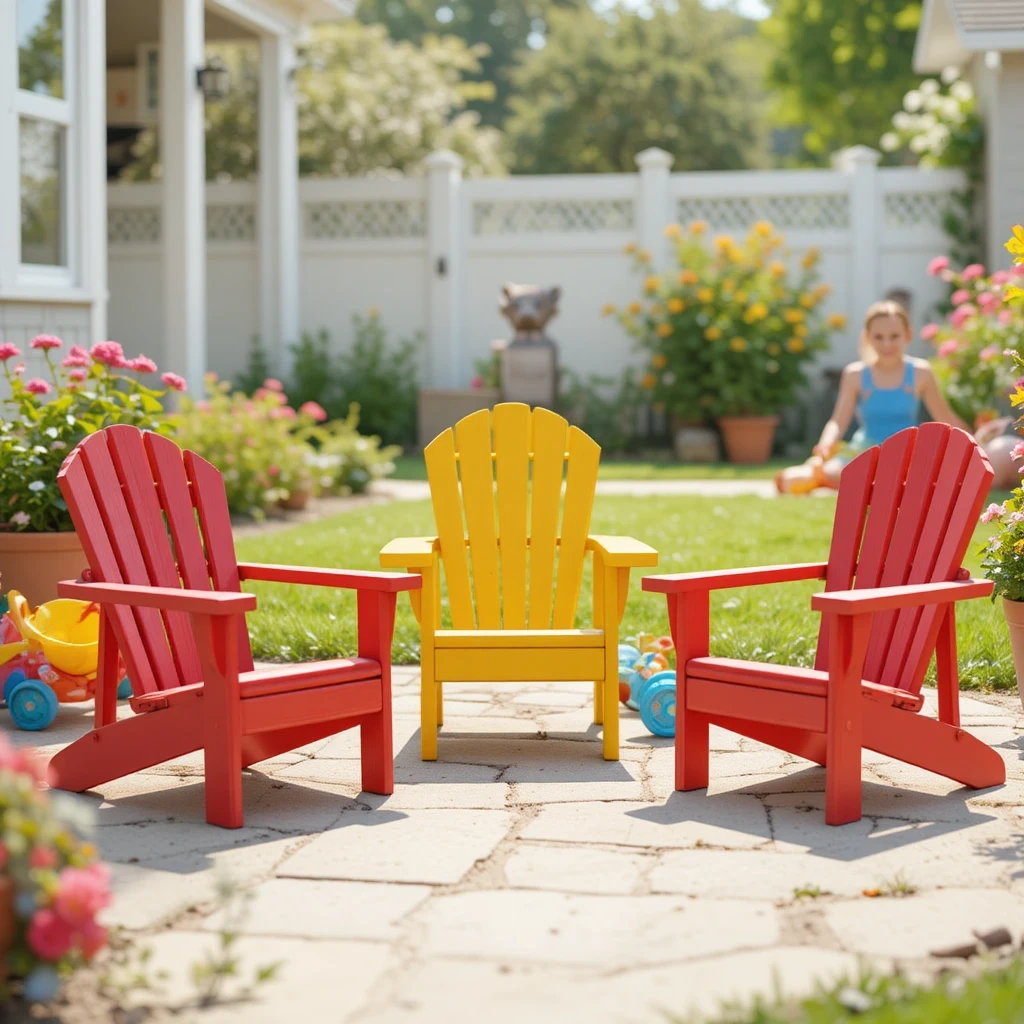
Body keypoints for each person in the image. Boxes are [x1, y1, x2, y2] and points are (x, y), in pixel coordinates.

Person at [776, 299, 971, 494]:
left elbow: (946, 419)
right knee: (834, 472)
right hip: (864, 451)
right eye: (879, 337)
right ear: (868, 337)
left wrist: (973, 442)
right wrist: (826, 443)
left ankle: (870, 483)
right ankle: (860, 481)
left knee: (924, 475)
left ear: (908, 335)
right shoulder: (855, 374)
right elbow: (838, 421)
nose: (887, 344)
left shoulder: (921, 373)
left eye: (894, 336)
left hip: (908, 454)